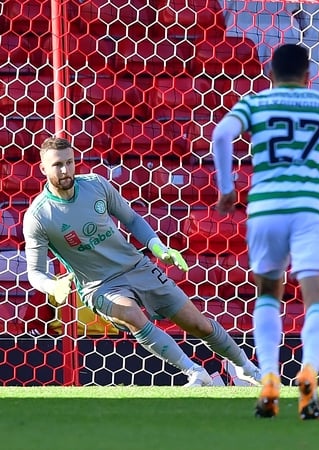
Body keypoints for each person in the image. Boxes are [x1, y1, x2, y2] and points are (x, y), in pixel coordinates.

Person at [24, 136, 263, 387]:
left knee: (198, 324)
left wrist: (158, 247)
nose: (65, 170)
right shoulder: (39, 216)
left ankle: (246, 368)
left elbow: (132, 219)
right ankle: (194, 372)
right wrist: (52, 287)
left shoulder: (96, 186)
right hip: (100, 286)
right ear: (43, 168)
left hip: (137, 267)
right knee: (131, 314)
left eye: (69, 162)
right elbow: (35, 272)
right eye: (57, 165)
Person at [212, 43, 319, 420]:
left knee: (268, 291)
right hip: (311, 211)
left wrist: (226, 188)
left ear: (269, 72)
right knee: (318, 300)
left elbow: (220, 136)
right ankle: (309, 372)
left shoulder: (254, 102)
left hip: (266, 208)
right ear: (308, 75)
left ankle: (268, 376)